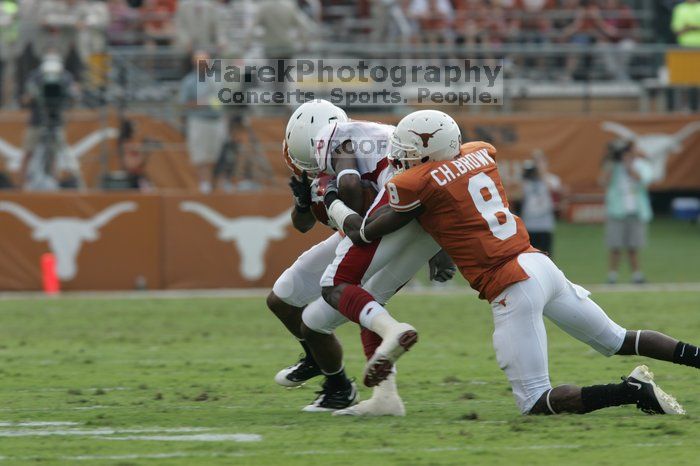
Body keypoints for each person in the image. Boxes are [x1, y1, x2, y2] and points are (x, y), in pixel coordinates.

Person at [326, 109, 699, 416]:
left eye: (407, 149)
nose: (400, 155)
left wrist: (332, 202)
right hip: (538, 264)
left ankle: (630, 391)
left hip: (511, 284)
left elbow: (365, 233)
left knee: (536, 401)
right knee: (619, 339)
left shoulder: (417, 182)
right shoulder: (479, 154)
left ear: (425, 152)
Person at [269, 100, 454, 415]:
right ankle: (339, 377)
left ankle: (363, 384)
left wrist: (333, 202)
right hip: (382, 226)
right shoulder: (357, 142)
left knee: (331, 305)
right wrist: (304, 204)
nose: (311, 171)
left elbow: (359, 203)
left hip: (384, 226)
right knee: (283, 298)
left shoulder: (345, 145)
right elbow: (305, 224)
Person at [20, 53, 80, 190]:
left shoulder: (65, 76)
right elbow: (25, 99)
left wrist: (72, 93)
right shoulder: (35, 76)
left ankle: (54, 182)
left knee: (55, 152)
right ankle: (20, 185)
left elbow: (74, 95)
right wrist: (34, 94)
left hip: (56, 120)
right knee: (28, 152)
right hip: (36, 121)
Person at [599, 139, 653, 284]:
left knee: (633, 246)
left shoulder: (641, 165)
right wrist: (612, 160)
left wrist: (629, 165)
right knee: (615, 245)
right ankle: (612, 275)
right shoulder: (613, 165)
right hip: (616, 210)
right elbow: (603, 181)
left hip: (636, 211)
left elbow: (644, 180)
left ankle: (637, 275)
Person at [178, 51, 227, 194]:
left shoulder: (216, 79)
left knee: (219, 154)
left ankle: (219, 183)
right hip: (199, 120)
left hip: (217, 120)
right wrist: (203, 103)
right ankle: (204, 183)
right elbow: (184, 103)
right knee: (201, 154)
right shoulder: (189, 81)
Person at [518, 150, 561, 257]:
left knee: (547, 257)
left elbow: (555, 190)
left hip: (545, 225)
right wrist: (524, 177)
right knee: (529, 257)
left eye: (540, 161)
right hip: (528, 225)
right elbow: (517, 196)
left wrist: (542, 174)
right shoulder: (526, 180)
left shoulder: (552, 179)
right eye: (535, 161)